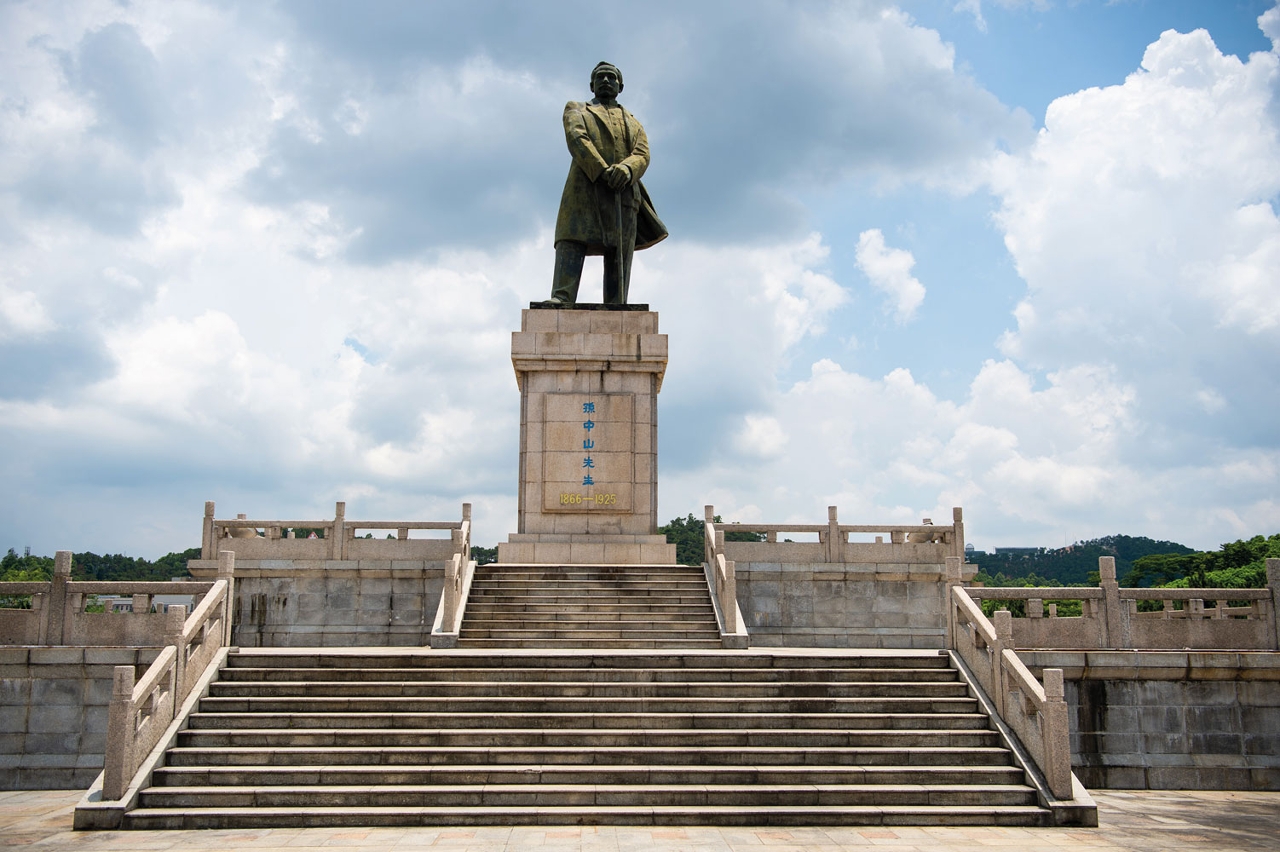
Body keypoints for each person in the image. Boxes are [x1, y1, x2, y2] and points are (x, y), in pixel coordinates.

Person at [542, 62, 667, 306]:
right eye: (600, 77)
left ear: (621, 86)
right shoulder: (576, 109)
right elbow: (577, 138)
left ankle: (616, 302)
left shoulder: (633, 122)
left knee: (618, 251)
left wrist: (627, 169)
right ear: (592, 85)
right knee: (572, 239)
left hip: (623, 191)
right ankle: (562, 295)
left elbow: (642, 153)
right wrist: (602, 170)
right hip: (585, 186)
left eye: (611, 77)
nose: (606, 81)